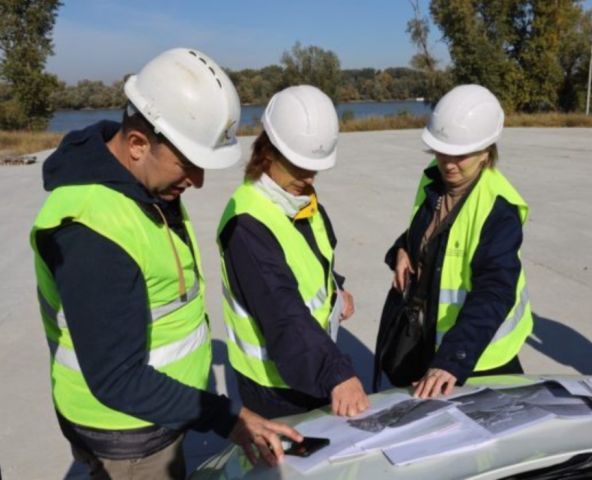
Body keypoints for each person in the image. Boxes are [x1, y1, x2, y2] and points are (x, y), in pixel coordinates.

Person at [30, 48, 301, 479]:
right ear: (138, 144)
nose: (198, 181)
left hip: (159, 413)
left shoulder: (142, 185)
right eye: (189, 164)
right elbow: (118, 379)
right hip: (128, 435)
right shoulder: (91, 231)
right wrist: (227, 417)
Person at [217, 85, 369, 419]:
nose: (310, 177)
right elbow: (282, 310)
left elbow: (315, 257)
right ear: (268, 152)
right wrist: (336, 373)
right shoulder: (246, 225)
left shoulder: (298, 199)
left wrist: (336, 288)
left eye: (315, 168)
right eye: (300, 166)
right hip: (276, 389)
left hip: (309, 363)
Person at [383, 84, 533, 399]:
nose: (448, 163)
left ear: (486, 150)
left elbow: (495, 290)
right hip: (432, 343)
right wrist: (402, 249)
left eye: (460, 155)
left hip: (479, 358)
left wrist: (452, 360)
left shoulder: (498, 208)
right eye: (442, 151)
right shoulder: (433, 180)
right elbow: (426, 234)